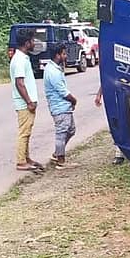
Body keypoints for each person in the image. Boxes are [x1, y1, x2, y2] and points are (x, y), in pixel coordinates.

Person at [43, 42, 80, 170]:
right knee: (62, 132)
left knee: (71, 130)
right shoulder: (53, 72)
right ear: (57, 55)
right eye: (64, 53)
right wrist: (74, 100)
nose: (65, 56)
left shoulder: (55, 68)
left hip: (64, 107)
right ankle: (60, 161)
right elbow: (63, 92)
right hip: (59, 108)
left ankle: (57, 153)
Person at [11, 29, 42, 173]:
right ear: (26, 42)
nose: (34, 43)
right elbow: (19, 83)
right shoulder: (18, 60)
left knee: (27, 131)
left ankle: (26, 158)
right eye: (33, 40)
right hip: (24, 103)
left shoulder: (23, 58)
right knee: (24, 132)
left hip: (27, 102)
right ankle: (21, 161)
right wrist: (29, 101)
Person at [94, 85, 125, 165]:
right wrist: (99, 94)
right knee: (117, 125)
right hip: (116, 98)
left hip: (126, 96)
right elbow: (106, 77)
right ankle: (119, 154)